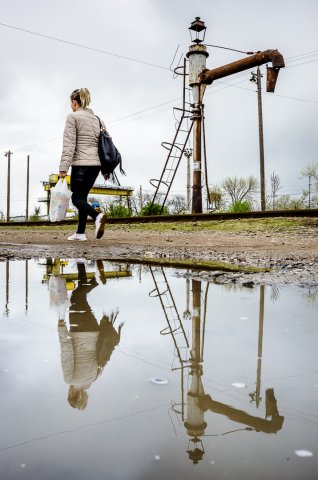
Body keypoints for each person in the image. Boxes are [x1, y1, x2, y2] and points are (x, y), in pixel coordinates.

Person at [58, 260, 123, 410]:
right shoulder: (70, 379)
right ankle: (97, 280)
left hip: (94, 330)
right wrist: (61, 329)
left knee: (81, 295)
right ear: (71, 394)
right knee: (75, 297)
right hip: (79, 330)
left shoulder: (95, 378)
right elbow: (66, 352)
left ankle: (80, 262)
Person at [59, 88, 107, 241]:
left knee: (76, 199)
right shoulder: (98, 119)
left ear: (74, 102)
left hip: (81, 164)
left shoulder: (73, 117)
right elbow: (105, 145)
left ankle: (97, 216)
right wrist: (106, 169)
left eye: (71, 103)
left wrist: (63, 168)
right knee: (82, 197)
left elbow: (69, 144)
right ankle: (80, 233)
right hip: (96, 165)